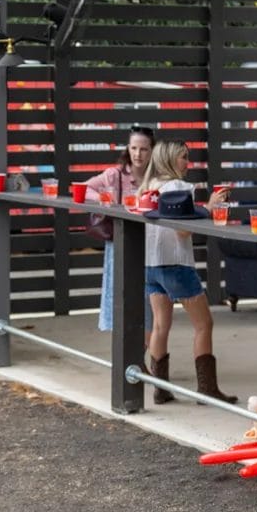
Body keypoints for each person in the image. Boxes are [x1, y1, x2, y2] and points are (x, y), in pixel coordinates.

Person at [138, 139, 233, 405]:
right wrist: (211, 208)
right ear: (169, 159)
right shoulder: (179, 187)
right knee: (204, 324)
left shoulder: (148, 187)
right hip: (176, 265)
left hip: (151, 266)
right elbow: (182, 230)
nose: (187, 163)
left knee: (159, 325)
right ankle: (207, 390)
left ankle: (160, 388)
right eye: (183, 157)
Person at [87, 126, 154, 333]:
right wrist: (104, 200)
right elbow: (83, 188)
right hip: (120, 244)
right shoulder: (114, 175)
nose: (137, 154)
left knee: (148, 305)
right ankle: (125, 358)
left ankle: (144, 358)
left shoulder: (158, 176)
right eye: (134, 148)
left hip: (150, 245)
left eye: (143, 149)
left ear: (152, 150)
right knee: (121, 298)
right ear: (128, 148)